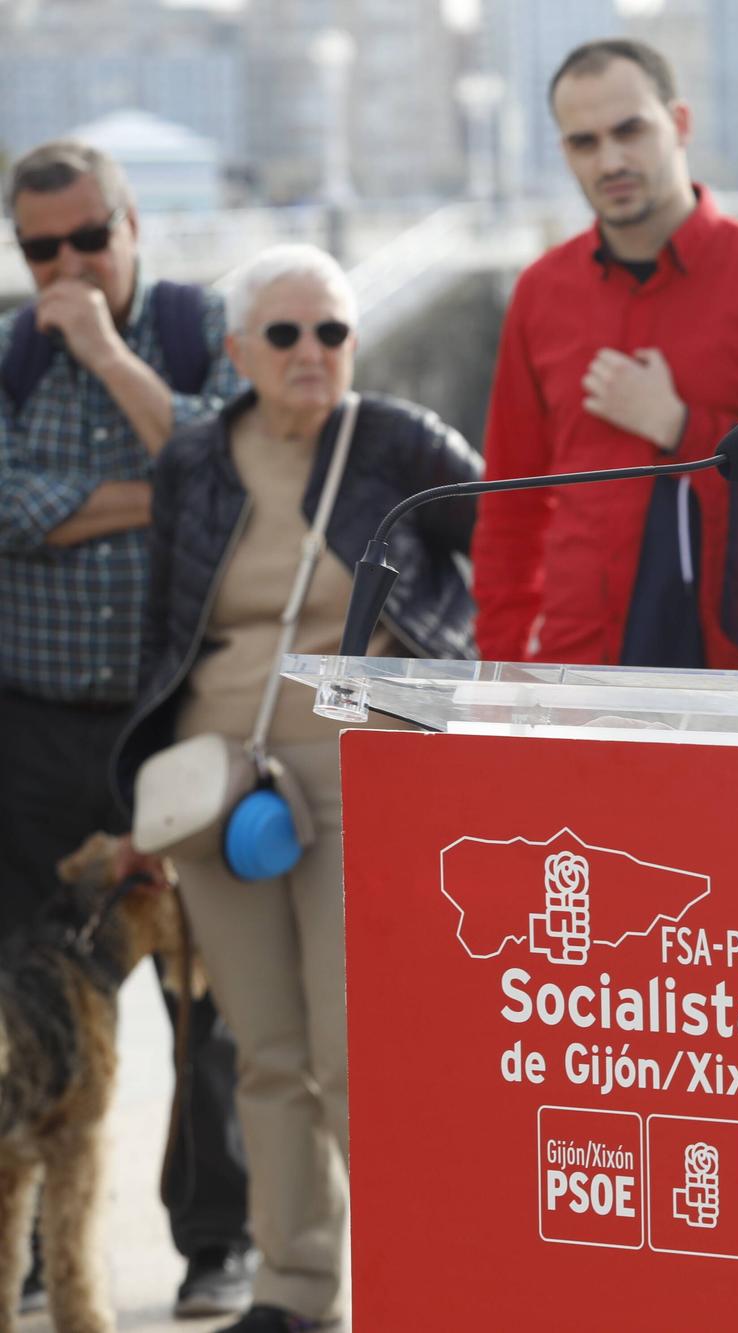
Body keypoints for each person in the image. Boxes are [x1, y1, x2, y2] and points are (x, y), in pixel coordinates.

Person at [109, 243, 479, 1333]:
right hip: (217, 778)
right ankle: (293, 1286)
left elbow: (514, 538)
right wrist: (134, 791)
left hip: (366, 763)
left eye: (332, 331)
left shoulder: (400, 439)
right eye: (284, 334)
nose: (311, 352)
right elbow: (163, 630)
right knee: (258, 1047)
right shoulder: (191, 460)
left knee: (357, 1045)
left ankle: (418, 1282)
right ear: (237, 352)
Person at [0, 138, 254, 1319]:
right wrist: (154, 487)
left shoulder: (201, 333)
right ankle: (36, 1242)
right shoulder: (8, 360)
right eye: (41, 248)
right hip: (36, 727)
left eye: (89, 240)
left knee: (201, 987)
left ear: (132, 223)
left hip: (169, 721)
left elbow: (224, 478)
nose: (68, 268)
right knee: (30, 991)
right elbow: (13, 513)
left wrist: (108, 360)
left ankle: (215, 1236)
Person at [474, 37, 738, 670]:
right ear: (565, 153)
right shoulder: (541, 292)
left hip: (728, 672)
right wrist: (502, 663)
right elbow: (510, 504)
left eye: (629, 130)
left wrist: (678, 427)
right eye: (584, 142)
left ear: (680, 123)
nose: (610, 159)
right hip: (570, 665)